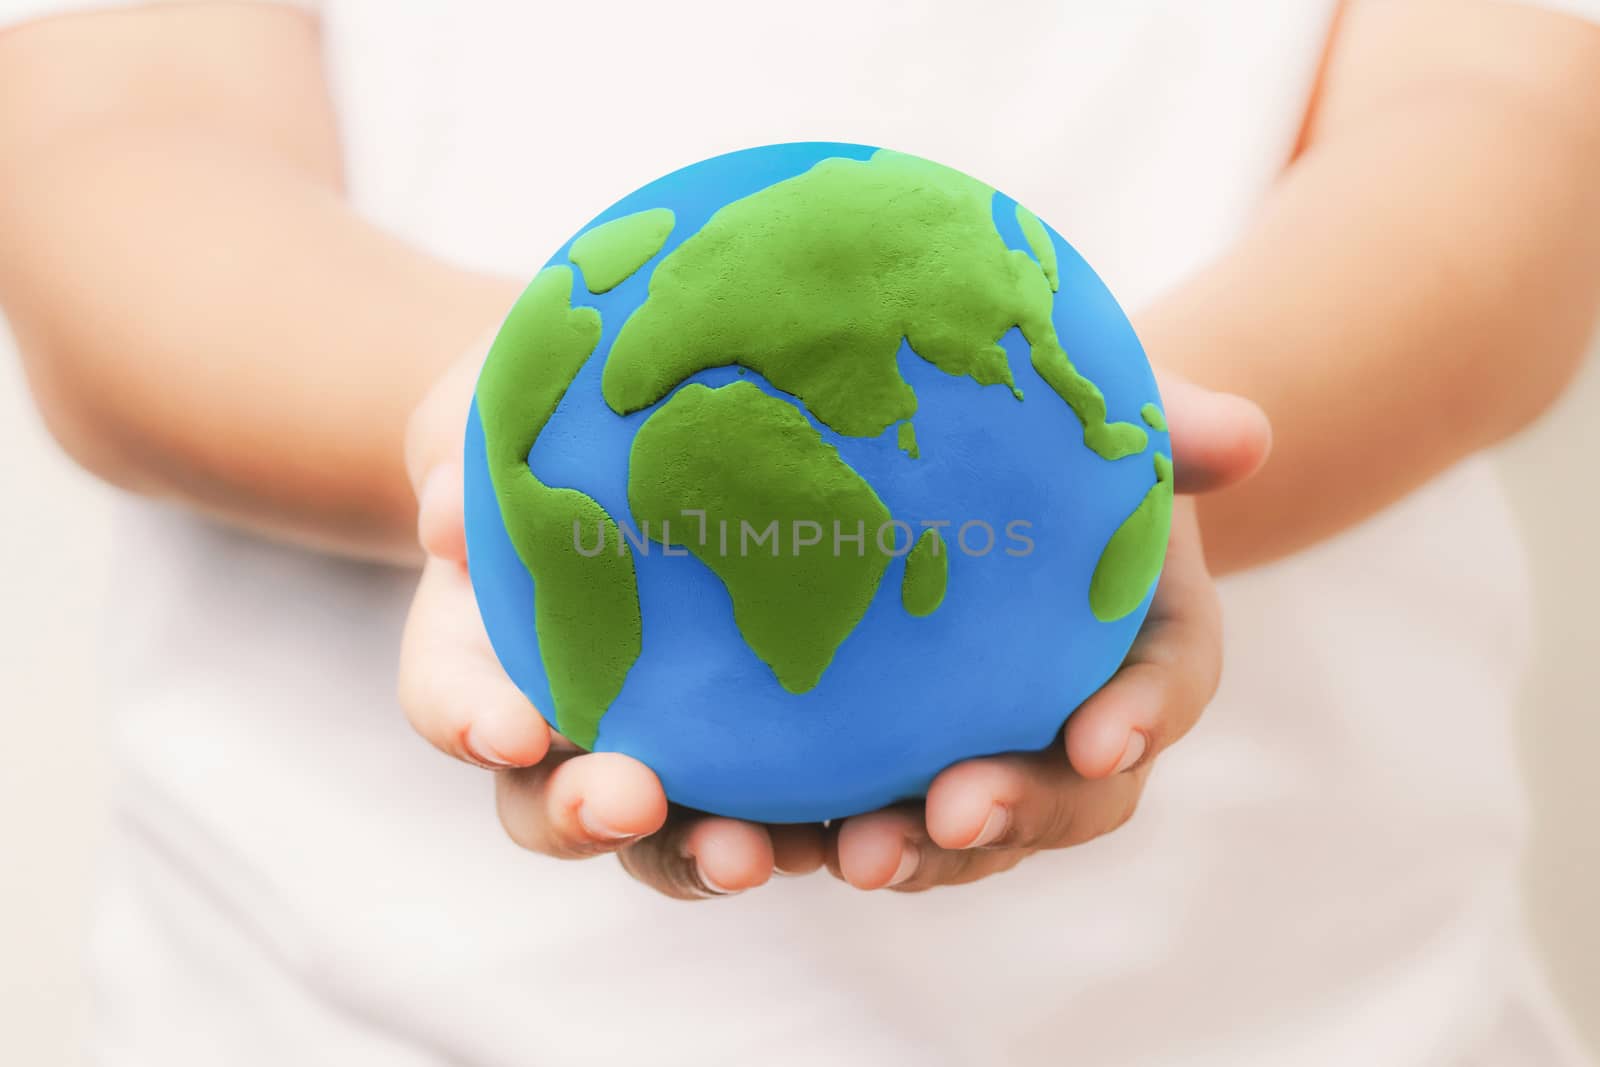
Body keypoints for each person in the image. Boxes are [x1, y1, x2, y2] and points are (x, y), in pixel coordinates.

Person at [2, 0, 1597, 1063]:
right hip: (332, 1010)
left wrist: (1119, 453)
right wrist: (501, 443)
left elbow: (1509, 134)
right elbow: (110, 165)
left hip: (1303, 1015)